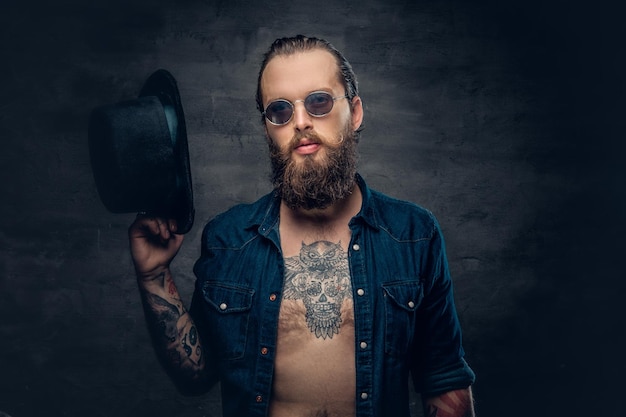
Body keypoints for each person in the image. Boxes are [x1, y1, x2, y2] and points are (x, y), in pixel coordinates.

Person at [129, 35, 476, 417]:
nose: (301, 121)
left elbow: (443, 377)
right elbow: (194, 378)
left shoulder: (414, 234)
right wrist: (154, 275)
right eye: (279, 110)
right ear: (267, 129)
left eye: (319, 101)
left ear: (355, 112)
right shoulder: (228, 239)